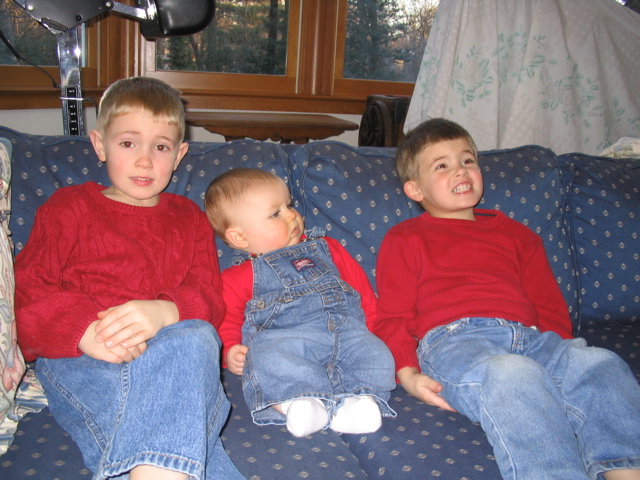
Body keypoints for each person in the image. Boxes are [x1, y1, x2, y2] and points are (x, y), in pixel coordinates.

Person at [373, 118, 640, 480]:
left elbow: (549, 307)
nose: (460, 171)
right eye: (442, 166)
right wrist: (408, 375)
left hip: (532, 339)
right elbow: (394, 315)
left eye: (467, 160)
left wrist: (561, 360)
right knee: (515, 374)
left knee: (601, 364)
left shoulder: (518, 236)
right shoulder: (405, 238)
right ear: (415, 190)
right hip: (456, 343)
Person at [15, 77, 244, 480]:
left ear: (179, 155)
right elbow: (27, 292)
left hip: (172, 357)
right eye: (127, 143)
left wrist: (165, 311)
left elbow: (208, 297)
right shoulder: (68, 207)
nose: (144, 161)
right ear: (100, 145)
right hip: (83, 359)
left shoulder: (189, 217)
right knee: (182, 412)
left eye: (161, 147)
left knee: (196, 338)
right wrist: (82, 330)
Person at [204, 168, 396, 438]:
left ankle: (359, 403)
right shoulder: (237, 277)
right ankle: (300, 403)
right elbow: (226, 319)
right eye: (275, 213)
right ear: (240, 237)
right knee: (267, 358)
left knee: (378, 356)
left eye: (289, 205)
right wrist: (229, 350)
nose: (292, 215)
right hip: (286, 340)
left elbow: (362, 295)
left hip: (348, 333)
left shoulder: (328, 248)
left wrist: (375, 333)